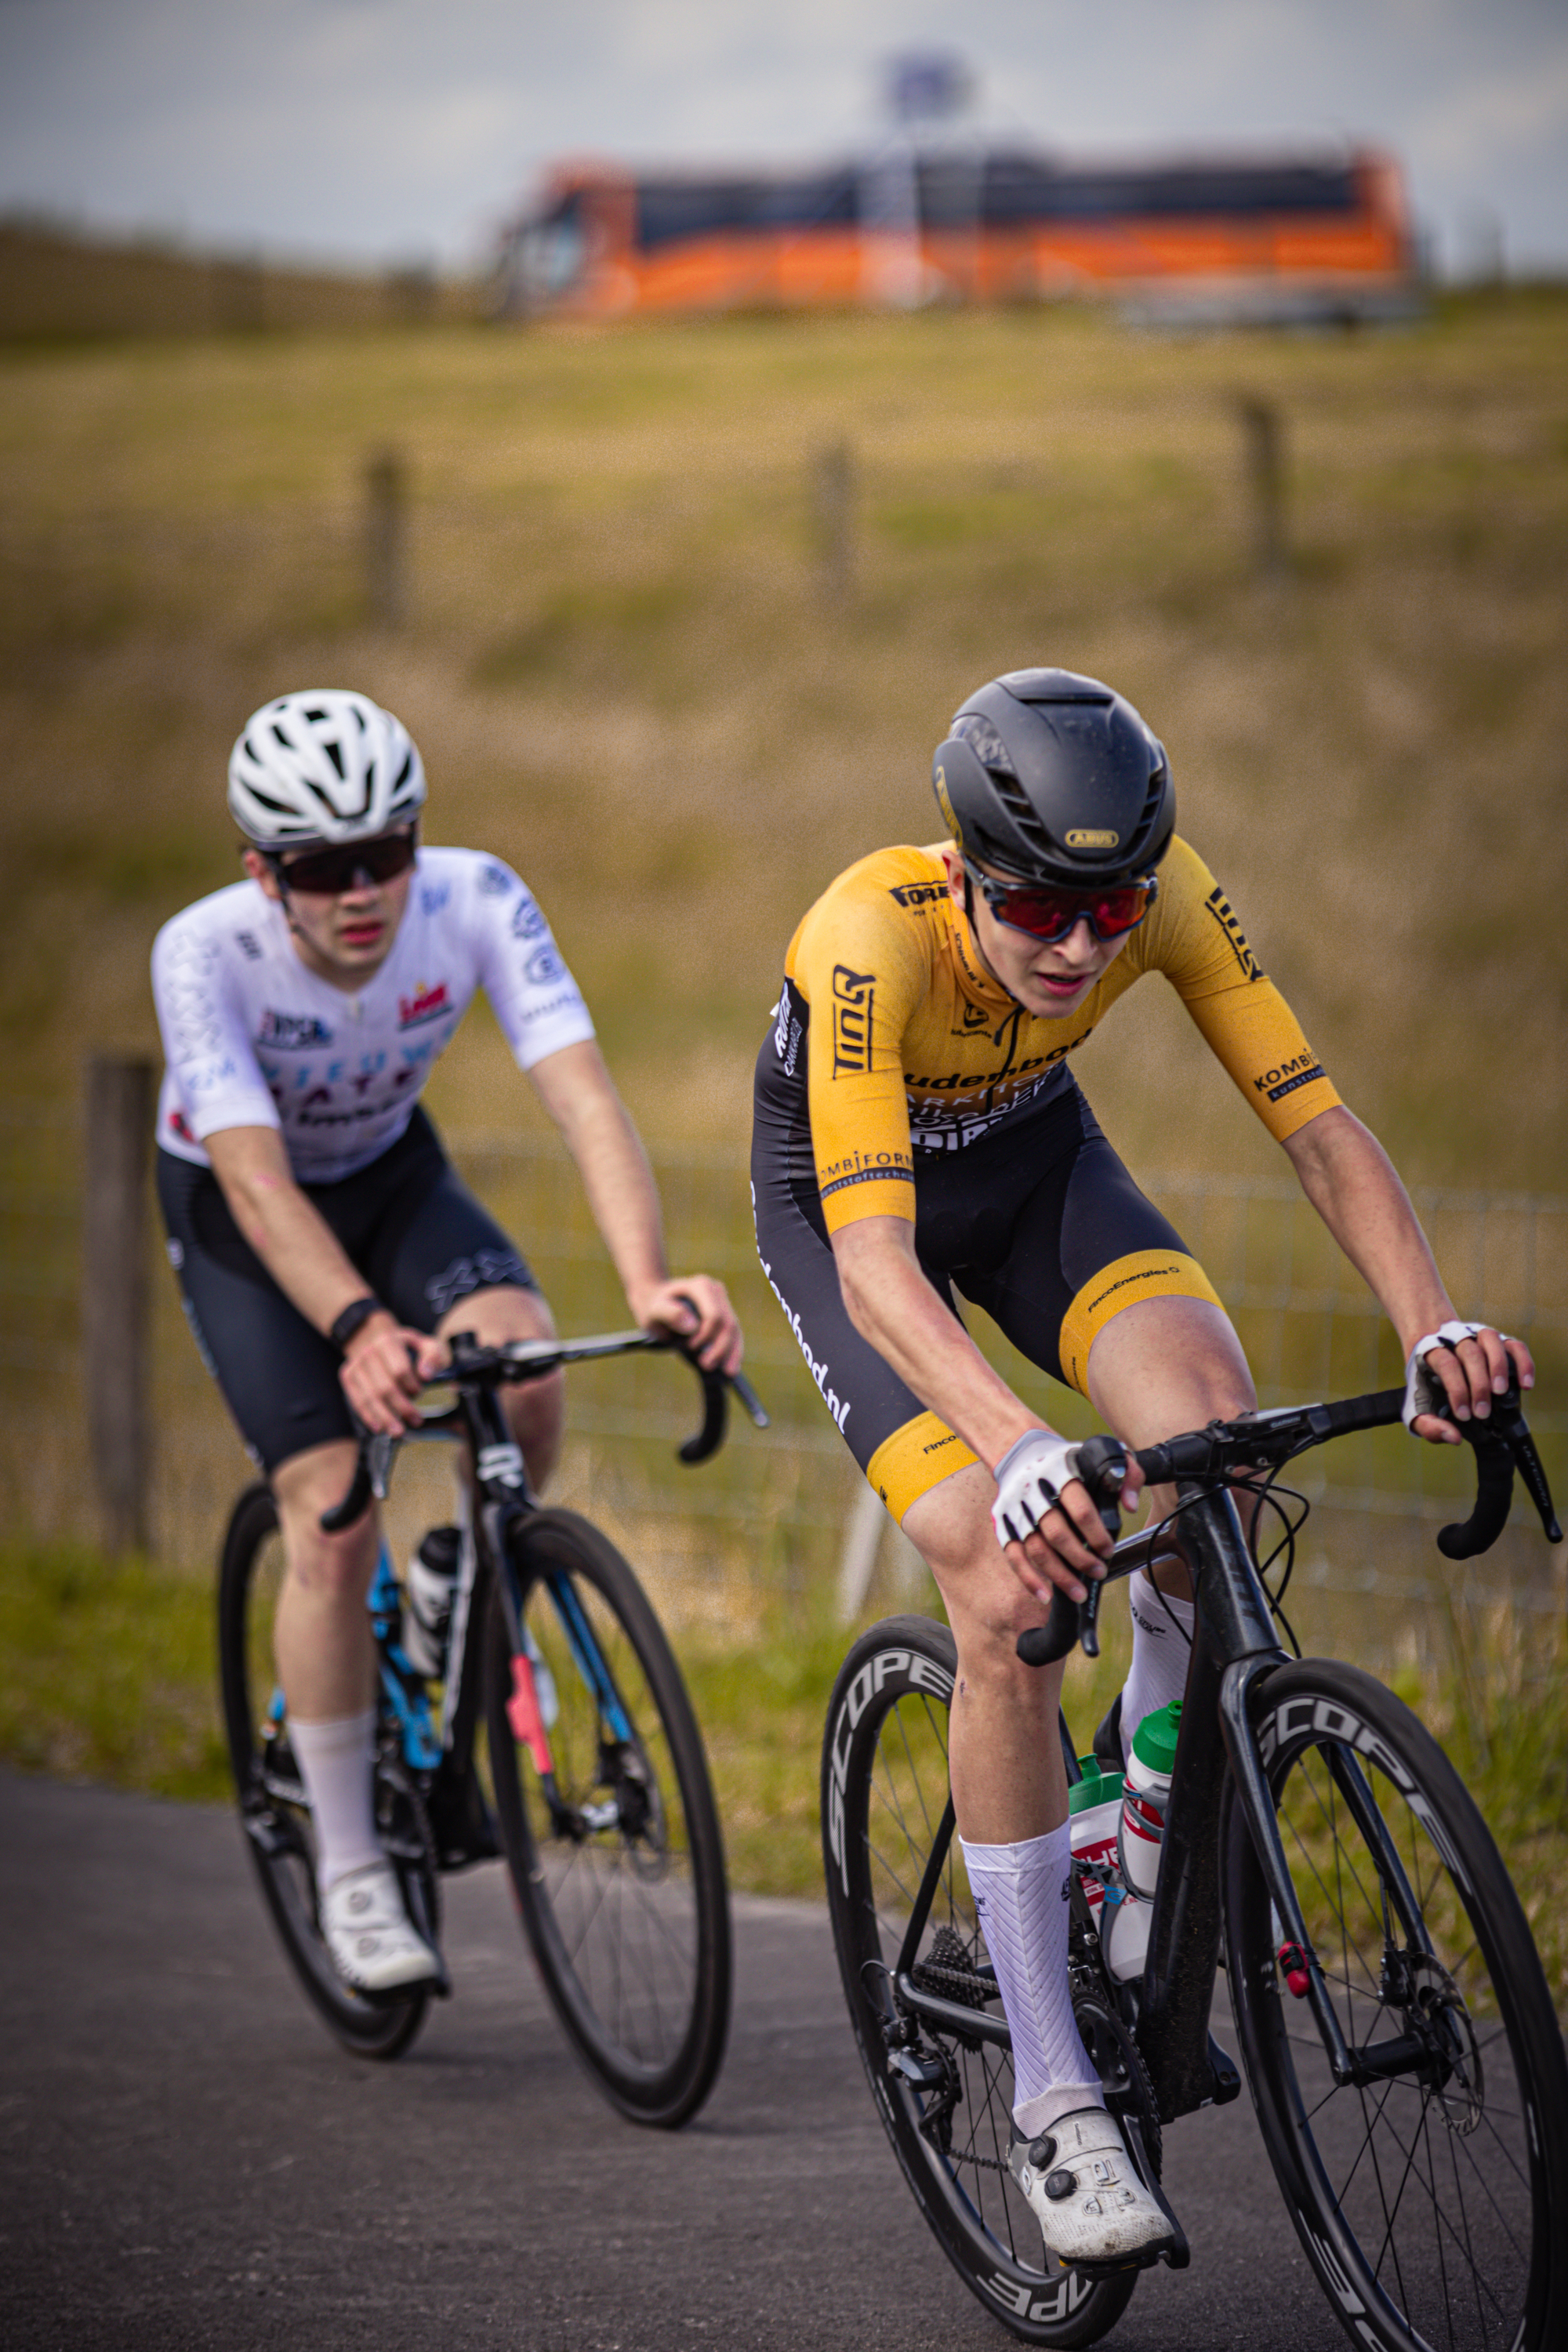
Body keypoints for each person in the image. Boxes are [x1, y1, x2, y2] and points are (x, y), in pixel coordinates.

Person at [751, 666, 1530, 2268]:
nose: (1080, 947)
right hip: (859, 1227)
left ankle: (1137, 1821)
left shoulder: (1158, 897)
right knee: (995, 1559)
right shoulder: (865, 938)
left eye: (1110, 916)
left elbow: (1314, 1123)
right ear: (964, 867)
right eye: (1038, 908)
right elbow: (881, 1272)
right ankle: (1051, 2096)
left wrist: (1432, 1325)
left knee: (1215, 1448)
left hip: (1037, 1169)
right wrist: (1022, 1446)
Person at [153, 688, 741, 1997]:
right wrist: (358, 1327)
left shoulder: (474, 897)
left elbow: (584, 1094)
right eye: (322, 867)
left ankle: (443, 1596)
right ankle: (357, 1870)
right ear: (264, 873)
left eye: (387, 853)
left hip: (391, 1174)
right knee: (330, 1515)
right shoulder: (204, 952)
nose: (364, 891)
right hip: (244, 1212)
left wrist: (647, 1278)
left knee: (521, 1387)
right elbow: (253, 1182)